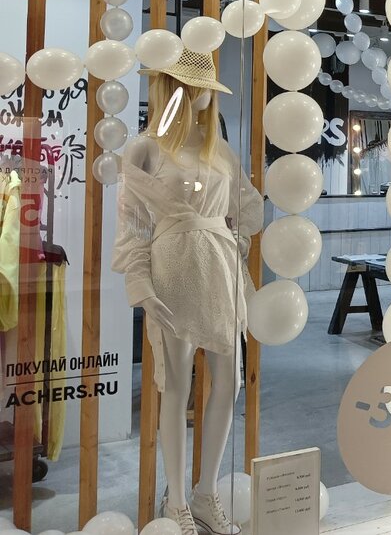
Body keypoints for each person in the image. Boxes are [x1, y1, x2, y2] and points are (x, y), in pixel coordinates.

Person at [113, 51, 263, 535]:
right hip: (173, 270)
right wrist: (142, 286)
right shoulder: (145, 149)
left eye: (205, 90)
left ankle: (205, 492)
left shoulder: (220, 150)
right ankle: (176, 500)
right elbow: (132, 228)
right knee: (175, 389)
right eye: (191, 87)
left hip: (219, 269)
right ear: (169, 88)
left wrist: (232, 246)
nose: (200, 97)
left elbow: (246, 210)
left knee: (230, 382)